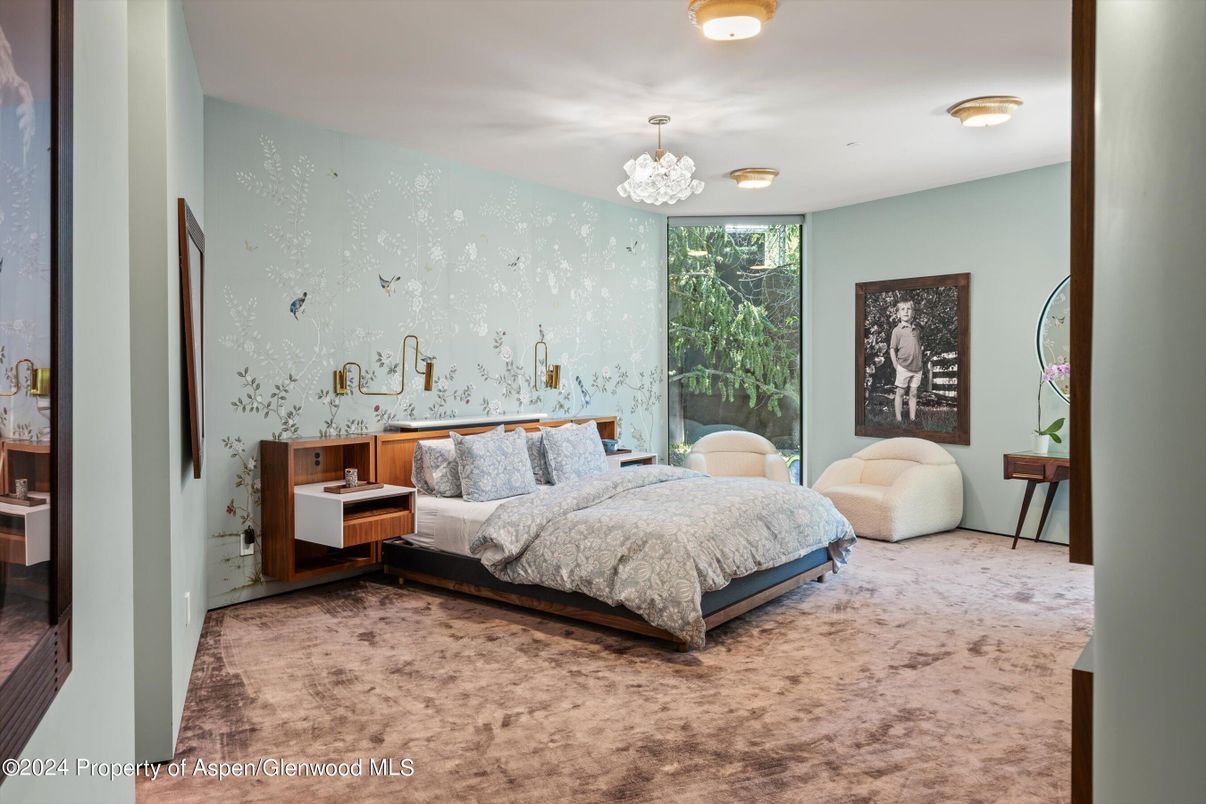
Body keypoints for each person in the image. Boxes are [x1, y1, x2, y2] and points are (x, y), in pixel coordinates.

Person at [889, 300, 923, 425]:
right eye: (902, 309)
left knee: (913, 392)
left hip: (917, 367)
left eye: (908, 309)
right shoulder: (897, 331)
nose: (906, 311)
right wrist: (895, 364)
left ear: (913, 313)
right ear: (898, 314)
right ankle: (898, 419)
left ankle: (912, 419)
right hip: (903, 366)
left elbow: (917, 346)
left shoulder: (916, 330)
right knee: (901, 392)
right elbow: (892, 349)